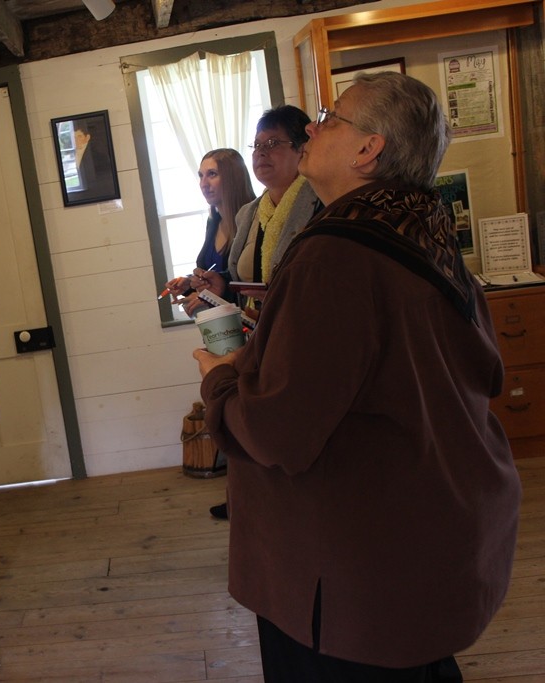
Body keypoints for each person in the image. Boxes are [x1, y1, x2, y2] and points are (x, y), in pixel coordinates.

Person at [193, 72, 521, 681]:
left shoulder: (336, 255)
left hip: (345, 576)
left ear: (370, 149)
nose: (312, 127)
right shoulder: (427, 235)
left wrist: (220, 380)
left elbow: (278, 431)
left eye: (331, 117)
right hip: (422, 542)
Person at [197, 106, 322, 519]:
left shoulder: (320, 201)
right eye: (257, 146)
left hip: (300, 336)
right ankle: (259, 509)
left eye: (274, 144)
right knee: (253, 425)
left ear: (303, 148)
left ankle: (296, 510)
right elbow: (236, 277)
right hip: (254, 336)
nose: (262, 154)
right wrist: (220, 288)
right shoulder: (252, 213)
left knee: (291, 429)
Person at [165, 148, 255, 318]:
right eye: (200, 175)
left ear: (232, 179)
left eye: (212, 174)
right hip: (223, 323)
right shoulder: (213, 222)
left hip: (252, 319)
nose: (203, 184)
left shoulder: (254, 220)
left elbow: (250, 281)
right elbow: (212, 274)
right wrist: (189, 283)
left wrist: (213, 296)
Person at [72, 120, 116, 200]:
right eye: (75, 137)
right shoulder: (76, 154)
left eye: (79, 136)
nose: (76, 140)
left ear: (87, 137)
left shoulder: (94, 155)